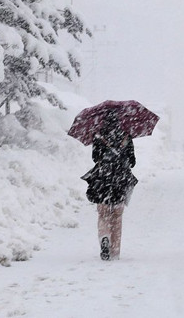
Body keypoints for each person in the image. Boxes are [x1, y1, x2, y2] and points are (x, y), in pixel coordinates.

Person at [82, 112, 137, 261]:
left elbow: (95, 158)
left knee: (103, 214)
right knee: (117, 217)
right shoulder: (126, 136)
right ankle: (115, 251)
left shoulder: (98, 136)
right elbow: (132, 161)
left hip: (103, 182)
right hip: (120, 181)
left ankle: (104, 237)